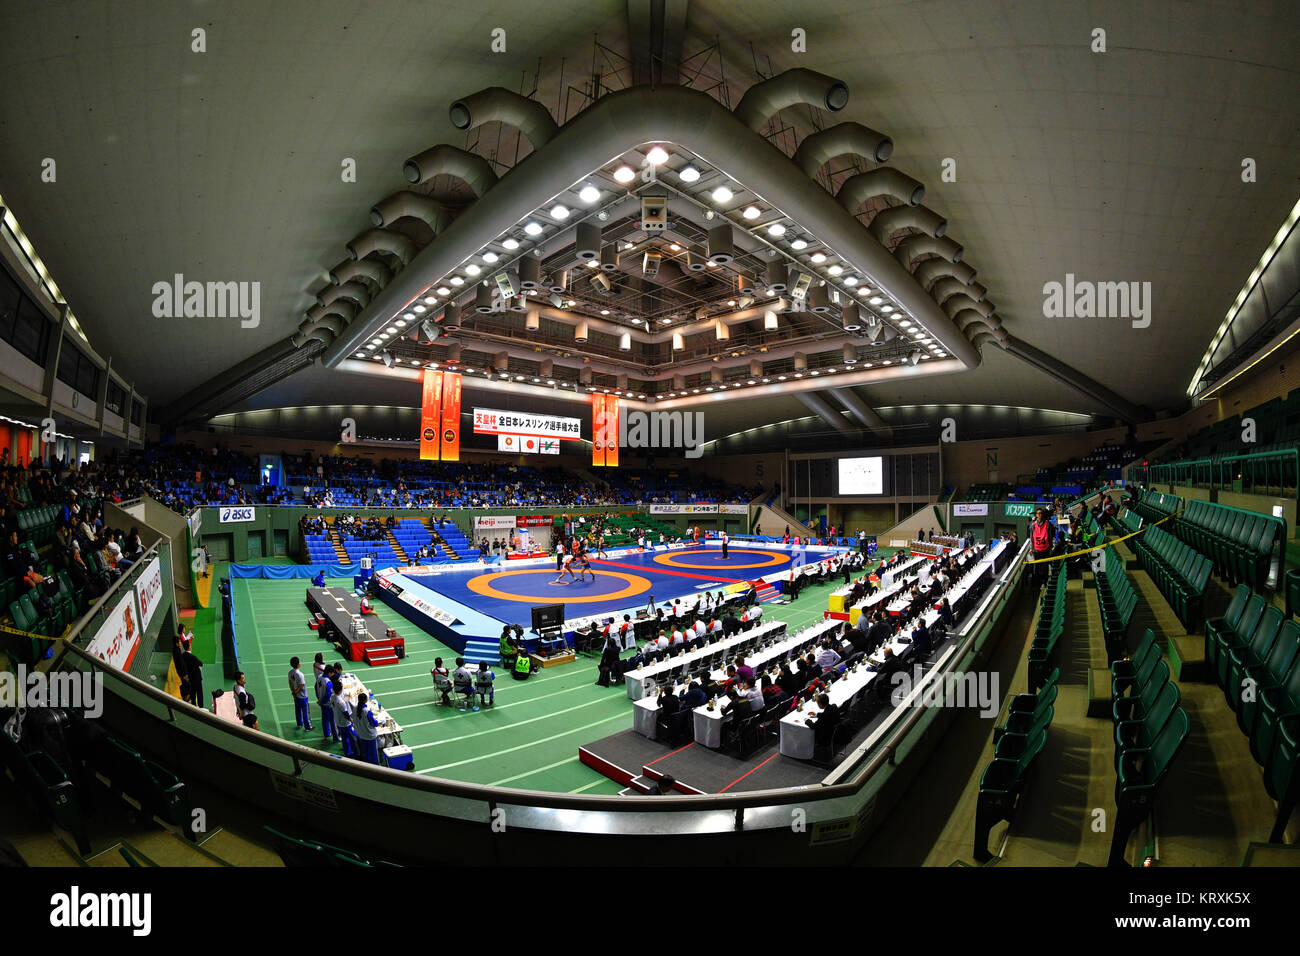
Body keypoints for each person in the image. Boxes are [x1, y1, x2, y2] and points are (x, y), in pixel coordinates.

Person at [353, 693, 381, 764]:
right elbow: (374, 723)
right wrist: (378, 722)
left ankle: (366, 766)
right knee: (374, 754)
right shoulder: (367, 712)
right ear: (365, 700)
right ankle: (376, 768)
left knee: (366, 752)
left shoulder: (354, 708)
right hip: (370, 736)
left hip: (361, 735)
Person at [288, 657, 312, 731]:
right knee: (305, 712)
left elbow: (290, 683)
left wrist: (293, 692)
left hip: (296, 696)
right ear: (298, 664)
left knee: (297, 710)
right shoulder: (300, 674)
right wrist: (296, 692)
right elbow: (301, 686)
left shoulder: (290, 672)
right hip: (303, 696)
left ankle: (299, 723)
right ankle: (307, 727)